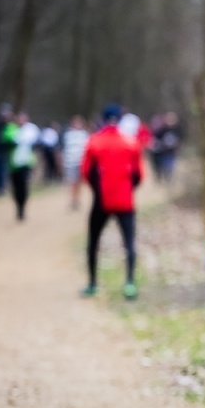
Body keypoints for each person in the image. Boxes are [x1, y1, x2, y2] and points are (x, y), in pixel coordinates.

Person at [79, 104, 143, 299]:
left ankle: (92, 283)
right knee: (129, 242)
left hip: (101, 201)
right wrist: (127, 189)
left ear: (103, 119)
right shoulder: (130, 143)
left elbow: (86, 172)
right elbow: (138, 174)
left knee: (93, 242)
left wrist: (98, 190)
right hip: (125, 201)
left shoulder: (94, 142)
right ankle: (129, 283)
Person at [7, 111, 39, 220]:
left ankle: (22, 208)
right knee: (16, 188)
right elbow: (4, 142)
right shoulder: (11, 129)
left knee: (24, 186)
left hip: (26, 163)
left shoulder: (31, 130)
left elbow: (37, 143)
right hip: (14, 164)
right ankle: (18, 206)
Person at [62, 115, 89, 210]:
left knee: (78, 183)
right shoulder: (68, 135)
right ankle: (73, 200)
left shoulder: (84, 134)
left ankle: (77, 199)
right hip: (70, 162)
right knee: (72, 182)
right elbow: (64, 149)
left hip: (80, 162)